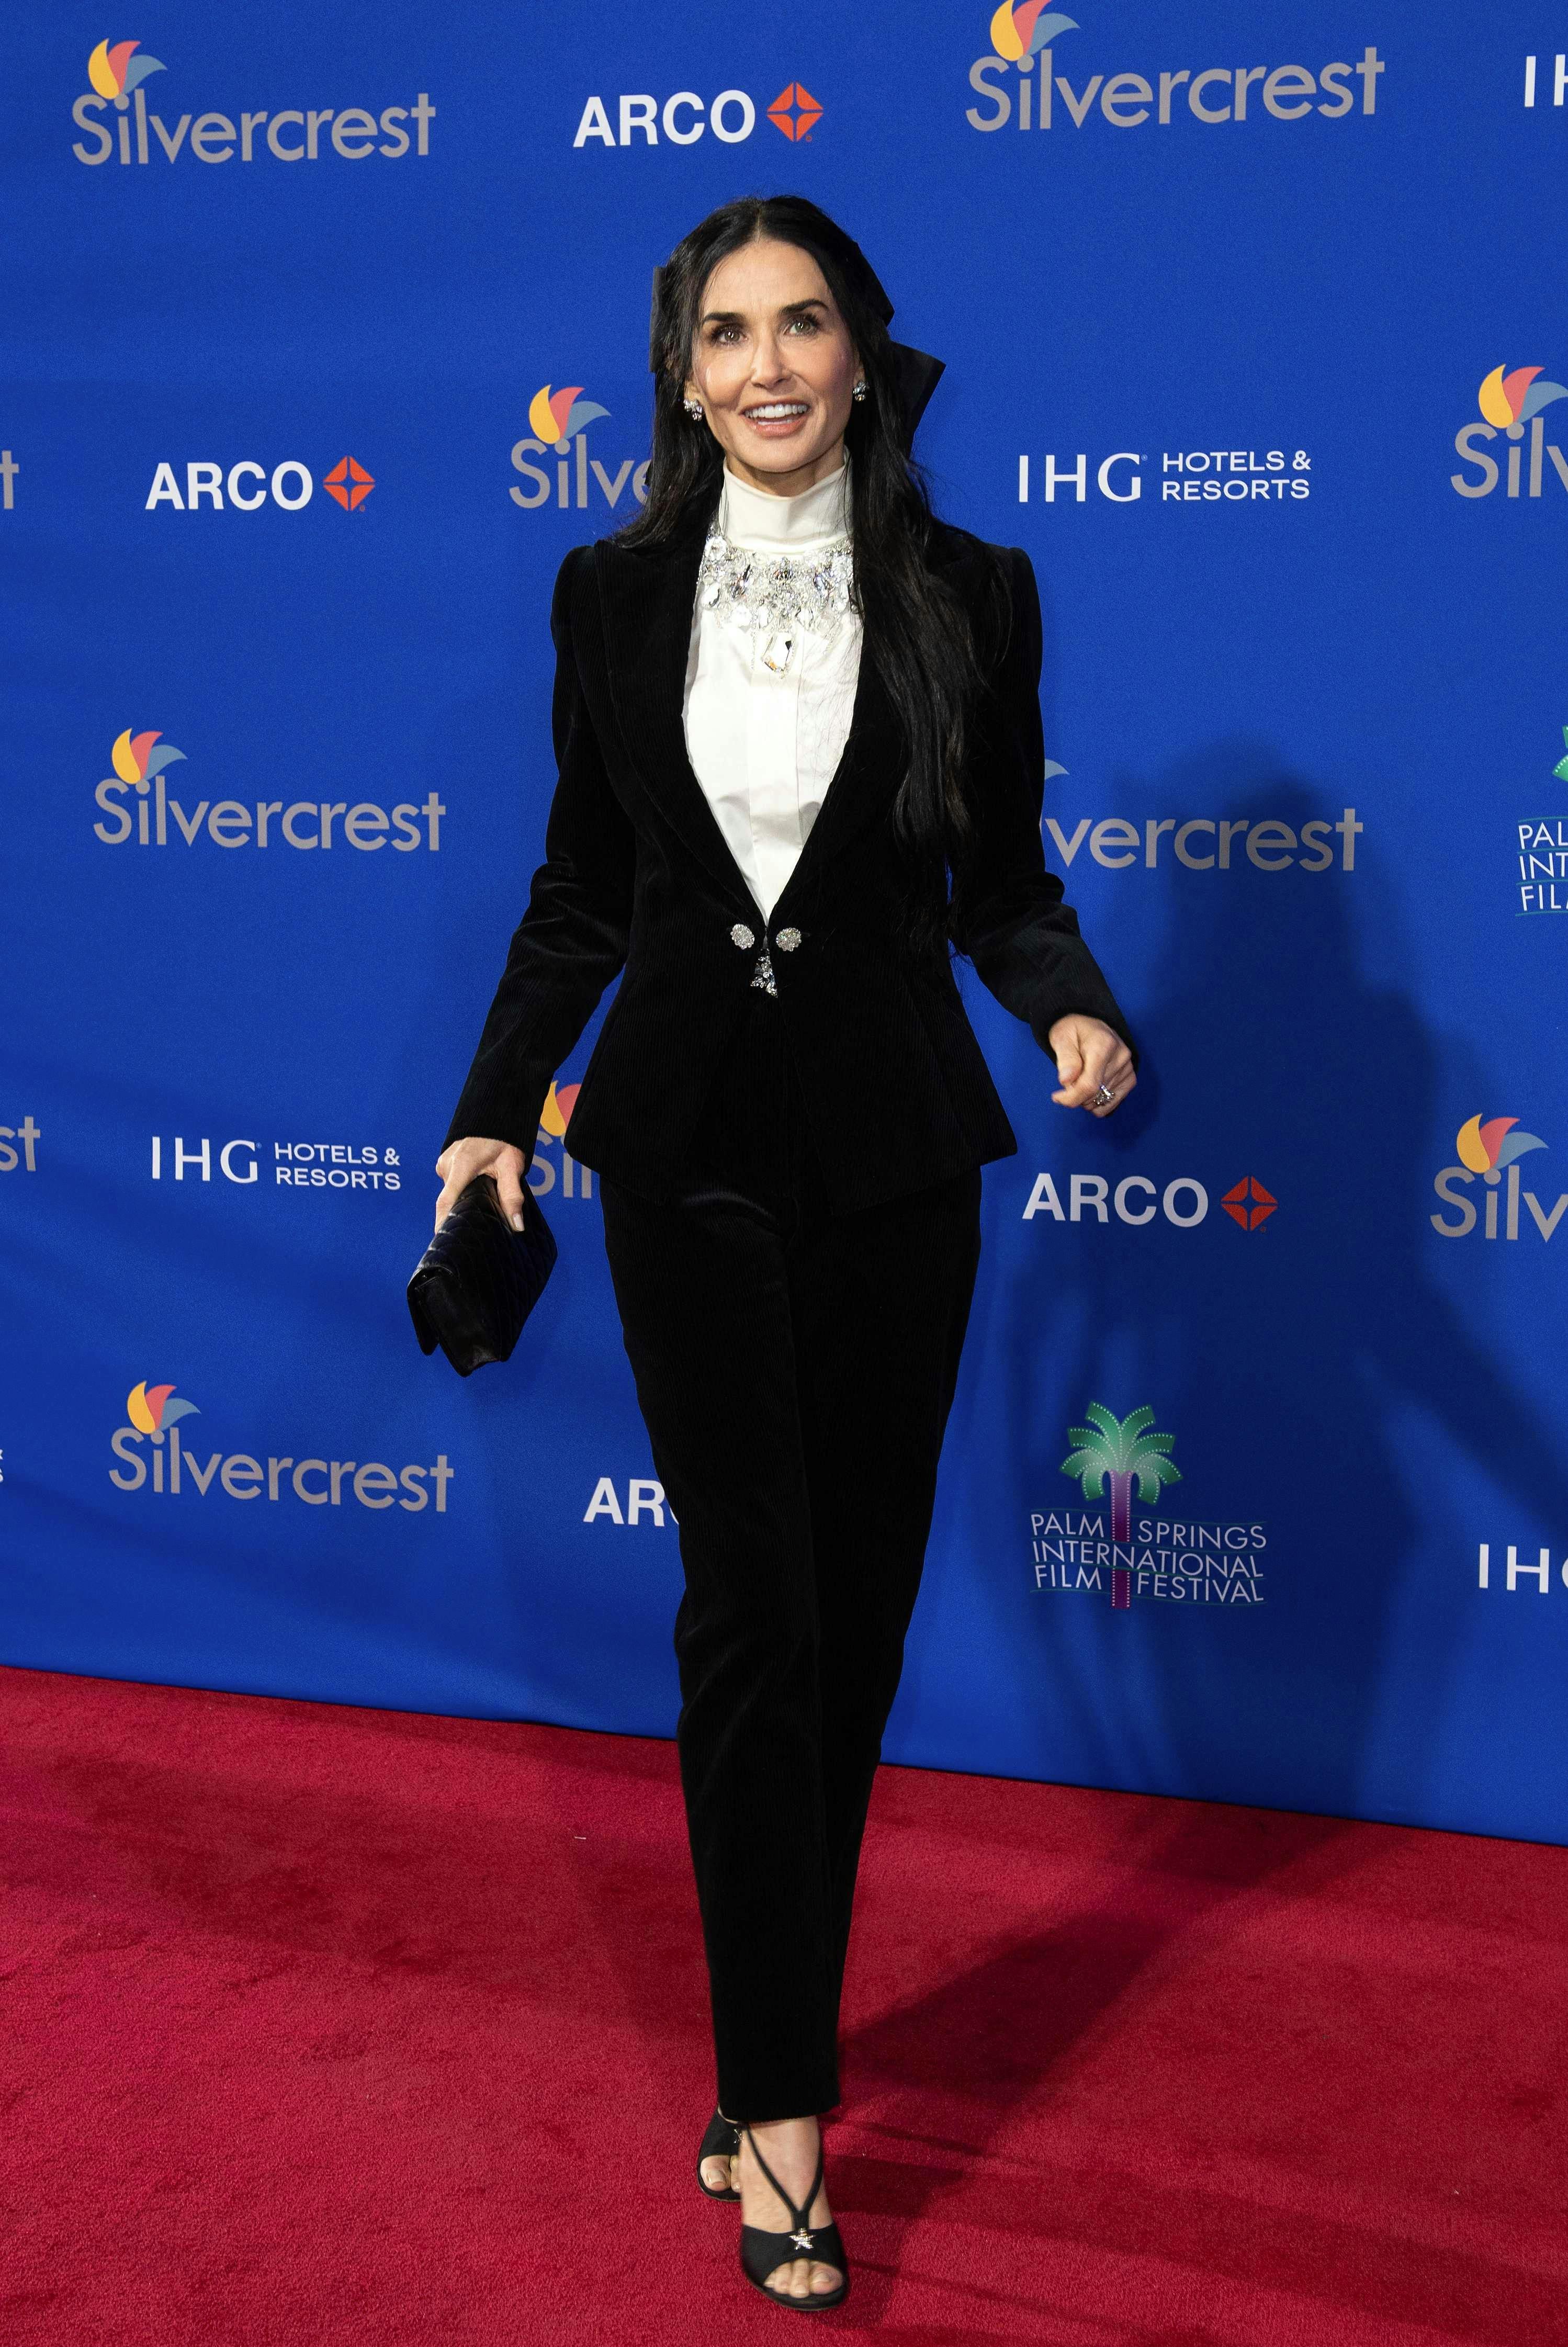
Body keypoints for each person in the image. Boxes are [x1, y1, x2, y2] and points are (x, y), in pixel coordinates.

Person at [435, 194, 1135, 2312]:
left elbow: (1003, 874)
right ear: (677, 367)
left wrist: (1072, 1000)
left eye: (801, 322)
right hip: (684, 1164)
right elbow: (581, 889)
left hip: (900, 1160)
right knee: (750, 1619)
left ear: (861, 349)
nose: (763, 364)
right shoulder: (609, 591)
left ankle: (764, 2049)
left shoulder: (971, 591)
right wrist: (492, 1103)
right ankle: (787, 2115)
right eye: (723, 330)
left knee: (850, 1631)